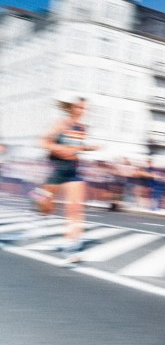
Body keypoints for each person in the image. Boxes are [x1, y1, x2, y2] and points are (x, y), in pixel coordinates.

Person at [31, 95, 97, 262]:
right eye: (79, 107)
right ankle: (37, 199)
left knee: (75, 208)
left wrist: (89, 148)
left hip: (73, 171)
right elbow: (43, 141)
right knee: (46, 207)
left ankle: (72, 247)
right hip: (57, 169)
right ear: (71, 108)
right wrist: (58, 148)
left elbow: (76, 148)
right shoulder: (61, 123)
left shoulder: (82, 128)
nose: (82, 111)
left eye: (84, 108)